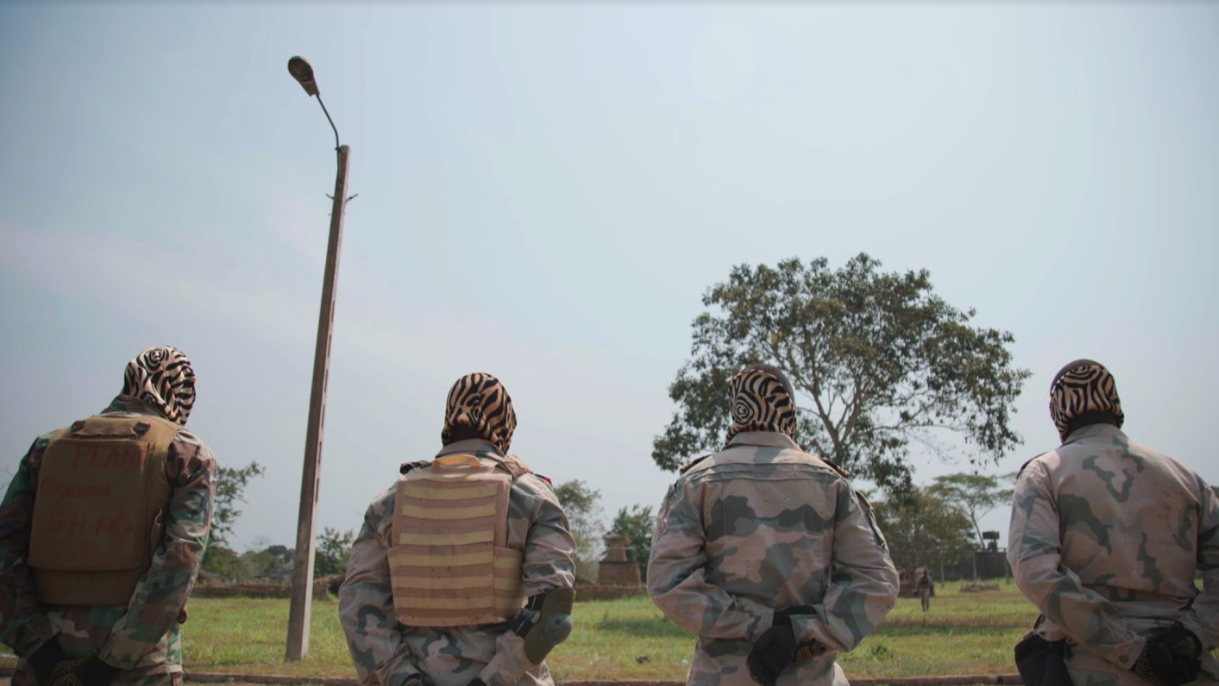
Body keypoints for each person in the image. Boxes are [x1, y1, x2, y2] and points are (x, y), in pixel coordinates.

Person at [647, 363, 900, 686]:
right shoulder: (830, 483)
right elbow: (877, 582)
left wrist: (756, 622)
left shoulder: (697, 483)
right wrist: (799, 631)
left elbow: (668, 583)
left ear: (737, 411)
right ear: (788, 408)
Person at [339, 372, 577, 686]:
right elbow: (552, 613)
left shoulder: (390, 502)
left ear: (450, 419)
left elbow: (359, 606)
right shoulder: (530, 496)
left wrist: (401, 678)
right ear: (504, 424)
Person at [0, 346, 217, 686]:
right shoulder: (185, 452)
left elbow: (5, 549)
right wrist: (112, 660)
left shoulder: (47, 447)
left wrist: (40, 651)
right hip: (139, 667)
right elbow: (180, 561)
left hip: (42, 663)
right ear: (180, 389)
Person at [1008, 359, 1219, 686]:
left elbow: (1036, 573)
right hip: (1189, 669)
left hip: (1092, 667)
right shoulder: (1186, 479)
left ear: (1057, 415)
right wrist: (1193, 635)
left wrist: (1134, 652)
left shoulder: (1044, 474)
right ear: (1116, 405)